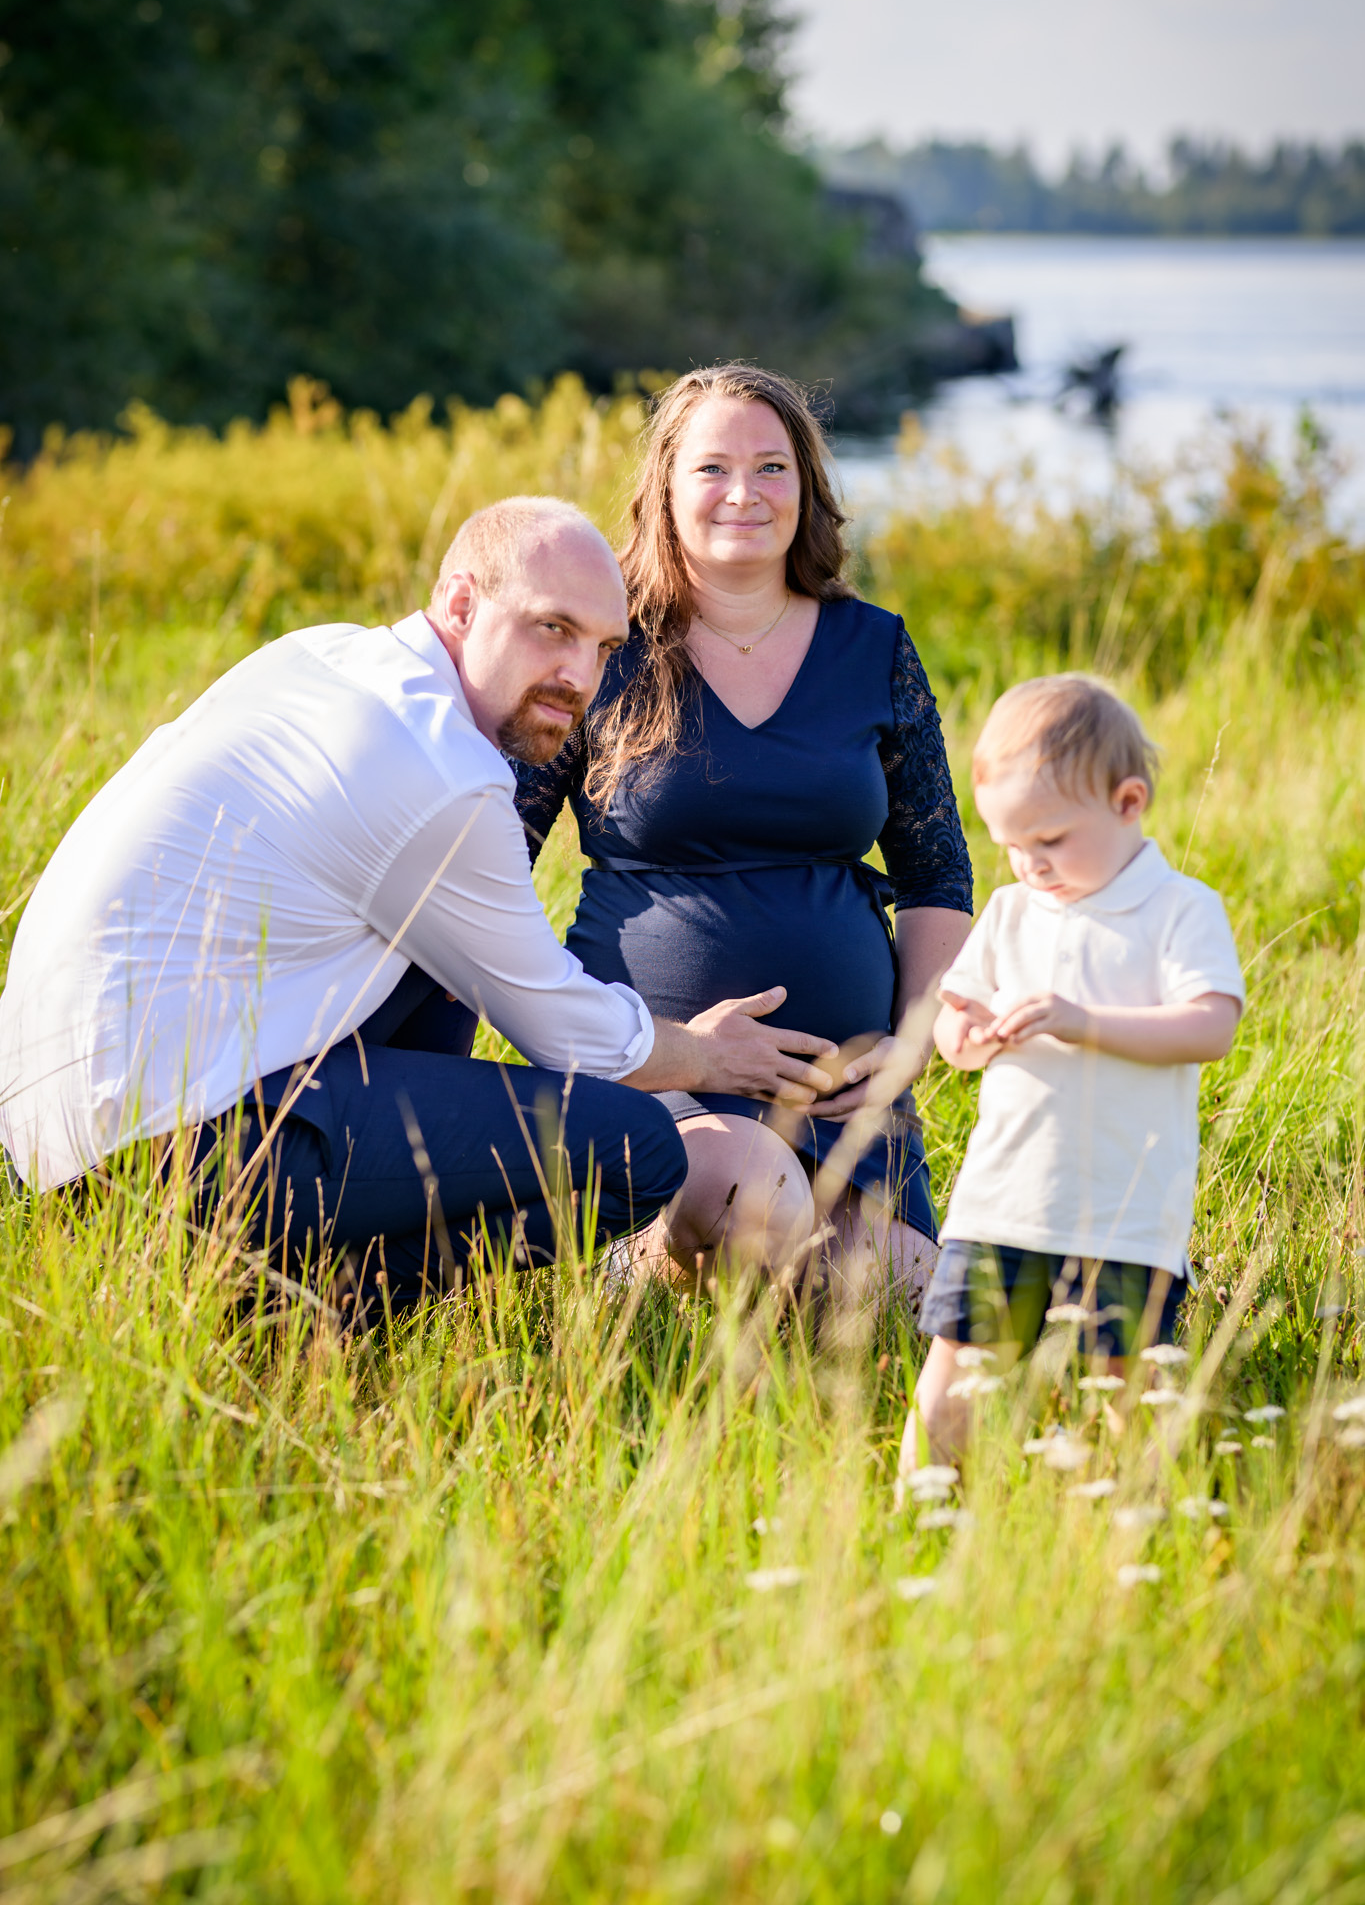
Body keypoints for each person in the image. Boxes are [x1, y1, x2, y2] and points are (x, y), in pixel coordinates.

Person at [0, 496, 846, 1307]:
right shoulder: (439, 768)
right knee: (634, 1149)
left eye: (601, 646)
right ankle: (287, 1310)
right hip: (159, 1154)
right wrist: (704, 1056)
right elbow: (565, 1032)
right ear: (461, 602)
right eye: (551, 628)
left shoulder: (325, 655)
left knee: (433, 971)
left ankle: (270, 1275)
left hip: (56, 1128)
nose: (578, 676)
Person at [514, 365, 974, 1295]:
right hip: (657, 1069)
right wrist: (623, 1038)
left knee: (893, 1294)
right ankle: (619, 1268)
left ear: (806, 488)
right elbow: (494, 856)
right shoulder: (605, 648)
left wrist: (906, 1047)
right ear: (664, 490)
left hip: (842, 1088)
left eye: (771, 468)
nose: (743, 494)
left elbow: (936, 873)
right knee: (754, 1205)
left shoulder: (873, 647)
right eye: (711, 468)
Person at [897, 674, 1245, 1478]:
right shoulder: (1012, 913)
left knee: (1123, 1391)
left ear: (1128, 802)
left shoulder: (1178, 909)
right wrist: (966, 1035)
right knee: (953, 1369)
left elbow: (1210, 1026)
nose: (1029, 862)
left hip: (1123, 1214)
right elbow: (950, 1023)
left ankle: (1130, 1522)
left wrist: (1078, 1022)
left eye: (1049, 839)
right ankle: (918, 1510)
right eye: (1010, 843)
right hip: (1004, 1202)